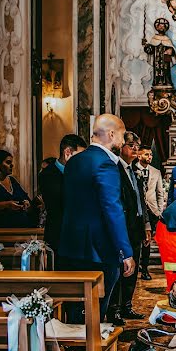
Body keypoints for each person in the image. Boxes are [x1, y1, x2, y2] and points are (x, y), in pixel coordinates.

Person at [58, 114, 135, 323]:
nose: (121, 142)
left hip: (70, 245)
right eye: (120, 136)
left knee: (74, 308)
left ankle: (75, 349)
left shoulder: (74, 161)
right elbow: (112, 208)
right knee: (95, 311)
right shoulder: (105, 164)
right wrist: (125, 251)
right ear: (111, 134)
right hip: (98, 250)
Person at [112, 132, 147, 324]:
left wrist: (145, 226)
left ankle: (127, 305)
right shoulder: (116, 169)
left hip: (135, 227)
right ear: (121, 146)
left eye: (137, 145)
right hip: (123, 227)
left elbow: (140, 201)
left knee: (132, 271)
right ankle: (115, 308)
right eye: (131, 145)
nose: (135, 148)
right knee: (121, 269)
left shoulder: (134, 170)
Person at [37, 134, 86, 253]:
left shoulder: (78, 172)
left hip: (78, 236)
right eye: (80, 156)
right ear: (68, 153)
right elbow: (61, 202)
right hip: (58, 235)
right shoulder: (48, 174)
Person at [0, 149, 34, 228]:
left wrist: (25, 202)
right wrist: (7, 205)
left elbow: (25, 197)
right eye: (8, 162)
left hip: (19, 224)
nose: (12, 165)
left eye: (11, 163)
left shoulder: (12, 180)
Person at [134, 146, 165, 281]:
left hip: (151, 211)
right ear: (139, 156)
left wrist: (159, 211)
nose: (150, 157)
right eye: (146, 154)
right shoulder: (132, 169)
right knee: (137, 239)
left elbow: (159, 193)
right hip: (137, 210)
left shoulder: (156, 172)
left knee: (147, 241)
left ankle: (145, 268)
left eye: (151, 154)